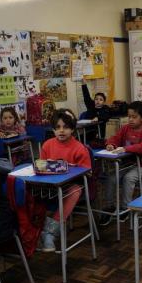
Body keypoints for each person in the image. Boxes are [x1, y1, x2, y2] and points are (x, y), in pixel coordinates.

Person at [39, 108, 91, 252]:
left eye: (66, 127)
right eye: (58, 127)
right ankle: (32, 230)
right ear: (53, 129)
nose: (61, 131)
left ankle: (49, 232)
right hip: (50, 185)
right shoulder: (47, 145)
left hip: (71, 185)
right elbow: (41, 166)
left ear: (73, 129)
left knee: (74, 191)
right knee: (28, 191)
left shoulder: (80, 148)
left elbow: (86, 172)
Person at [100, 101, 142, 226]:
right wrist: (110, 144)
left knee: (128, 179)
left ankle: (125, 208)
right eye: (129, 116)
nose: (131, 119)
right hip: (126, 165)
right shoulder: (125, 128)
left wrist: (126, 149)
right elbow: (115, 138)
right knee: (111, 178)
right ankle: (109, 207)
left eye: (134, 117)